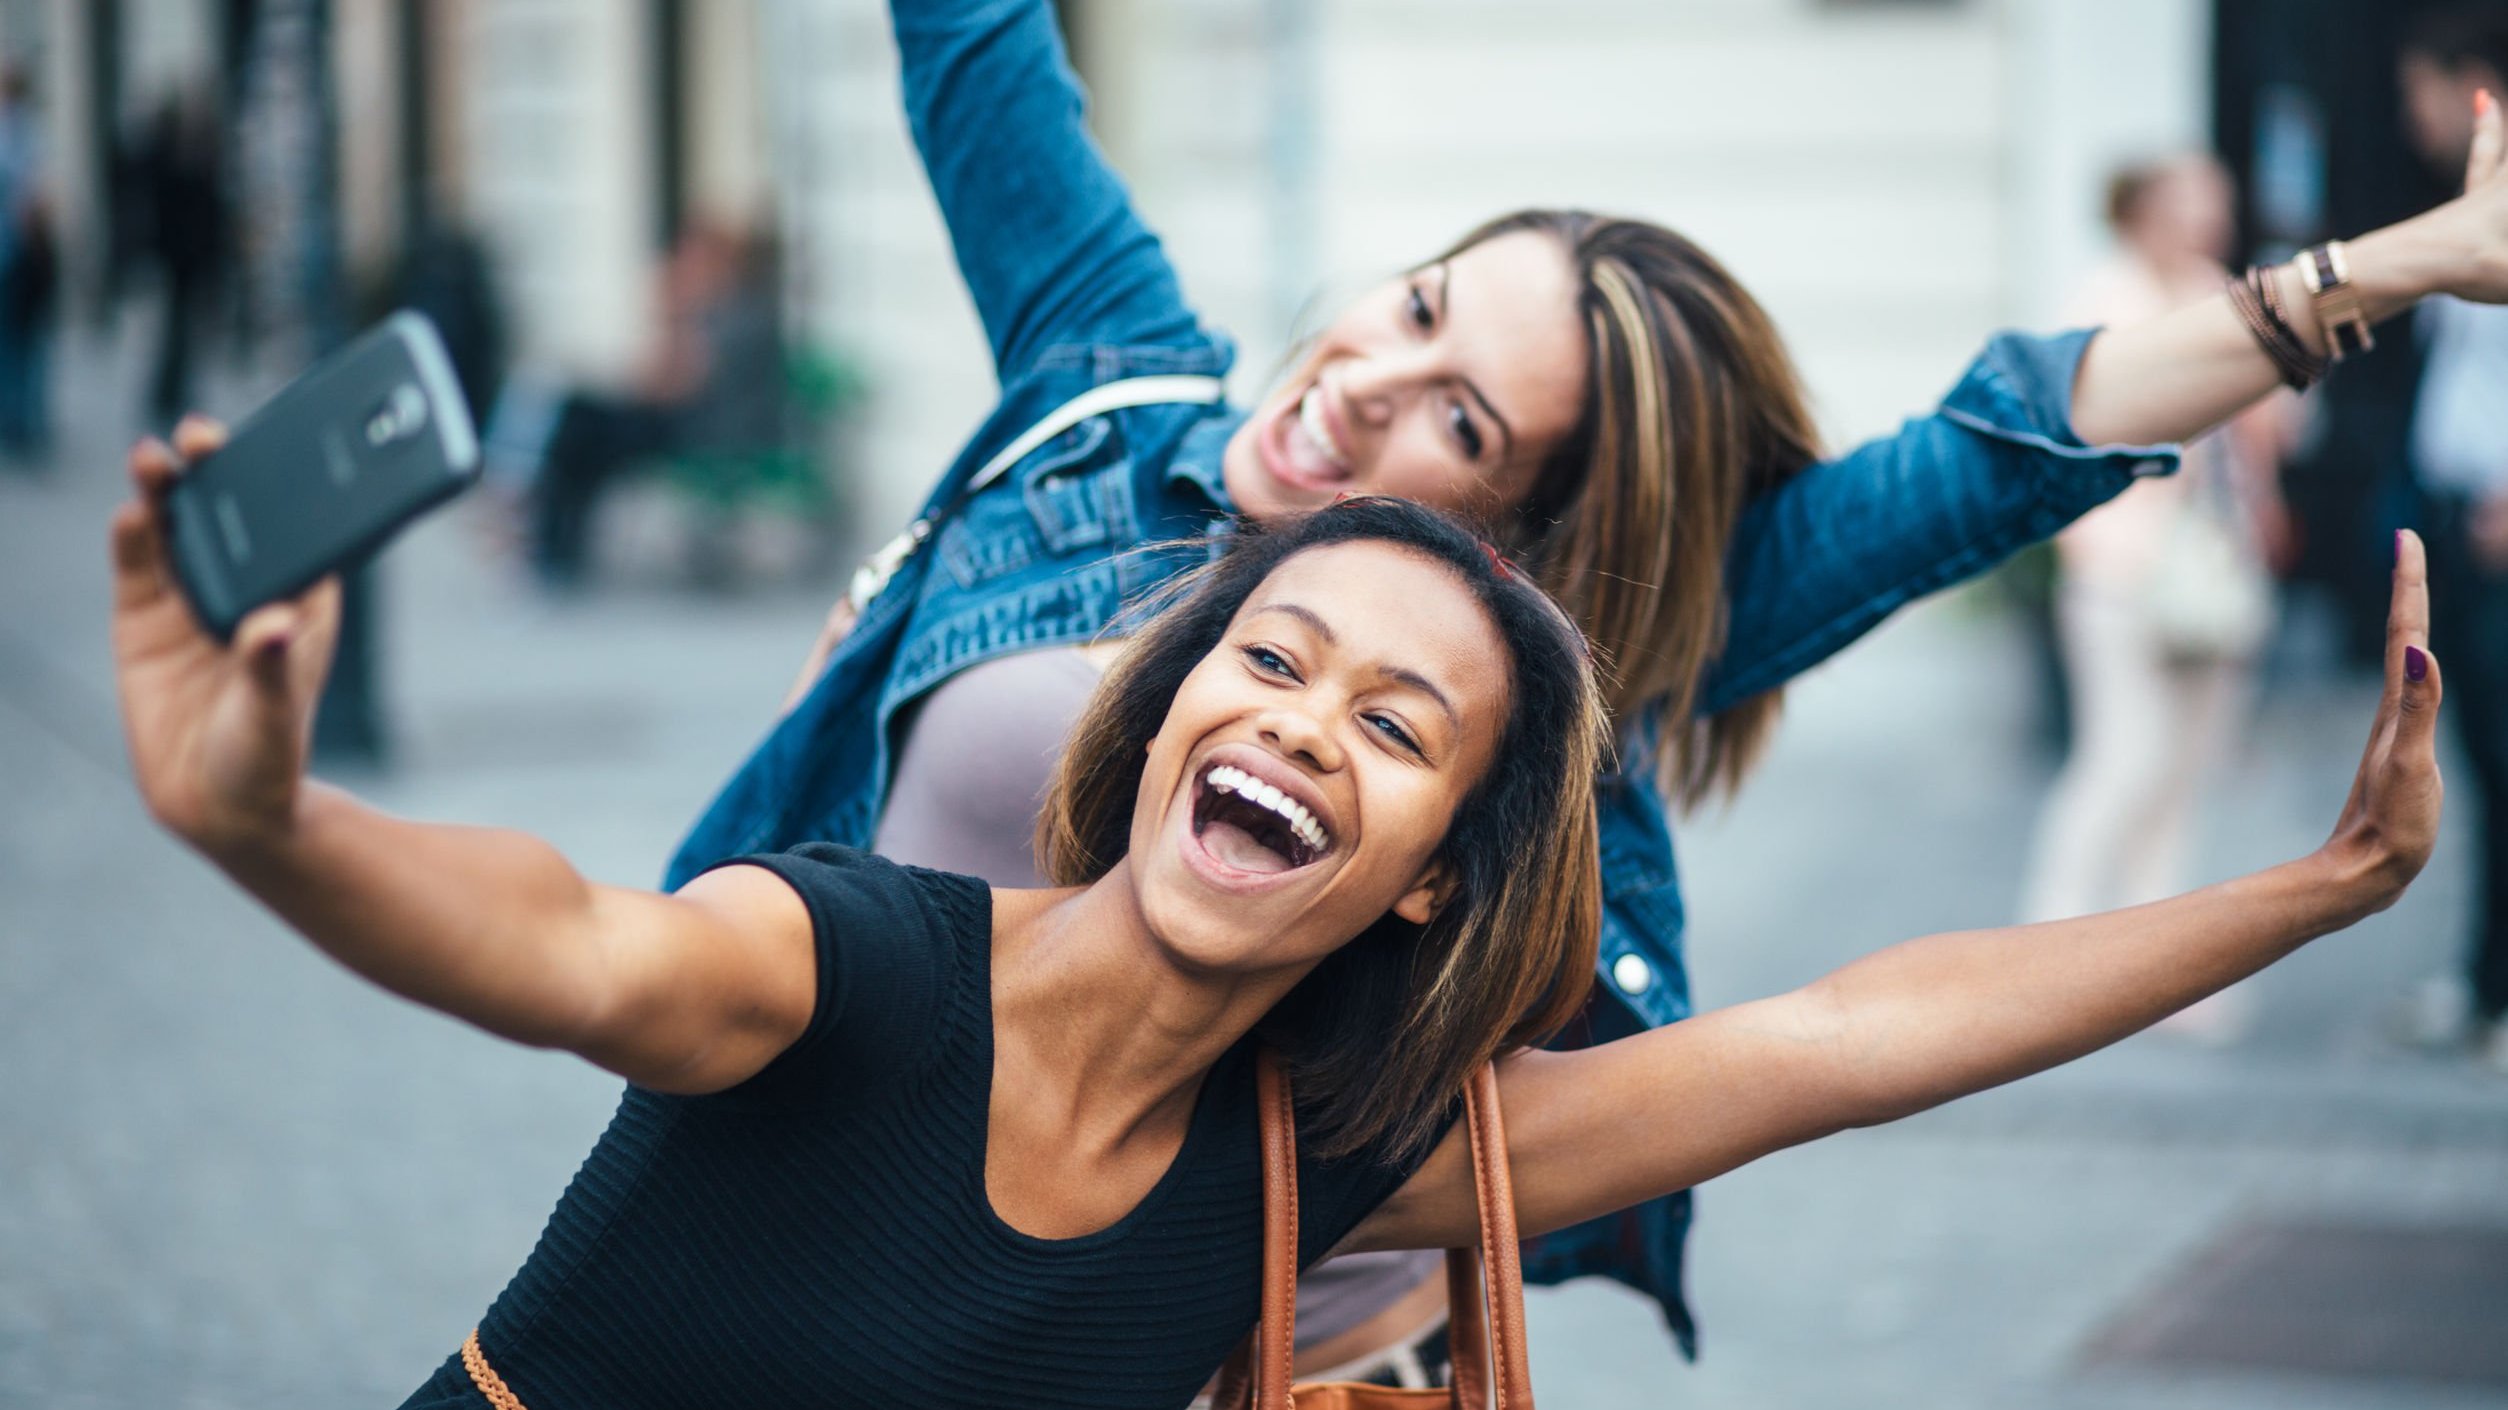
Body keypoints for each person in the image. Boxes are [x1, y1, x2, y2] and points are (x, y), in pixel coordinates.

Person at [664, 0, 2508, 1379]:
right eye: (1412, 308)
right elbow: (976, 47)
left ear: (1532, 544)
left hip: (1245, 1349)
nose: (1361, 390)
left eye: (1462, 423)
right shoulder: (1113, 392)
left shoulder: (1551, 658)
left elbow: (1994, 447)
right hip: (843, 1235)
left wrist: (2381, 270)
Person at [110, 439, 2442, 1407]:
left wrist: (2319, 890)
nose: (1309, 722)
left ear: (1434, 860)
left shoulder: (1338, 1151)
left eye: (1399, 720)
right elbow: (567, 944)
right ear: (1168, 717)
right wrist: (272, 826)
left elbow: (1856, 1031)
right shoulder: (843, 962)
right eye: (1273, 658)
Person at [2017, 155, 2298, 1042]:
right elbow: (2080, 431)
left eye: (2215, 196)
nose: (2211, 212)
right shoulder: (2103, 297)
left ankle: (2162, 976)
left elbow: (2264, 422)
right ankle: (2042, 958)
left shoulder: (2219, 290)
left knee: (2185, 770)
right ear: (2142, 210)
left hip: (2213, 565)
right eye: (2191, 198)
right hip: (2121, 568)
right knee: (2120, 759)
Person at [2395, 6, 2508, 1073]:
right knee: (2480, 759)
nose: (2408, 114)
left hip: (2497, 523)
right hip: (2461, 516)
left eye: (2420, 88)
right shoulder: (2474, 205)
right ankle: (2484, 983)